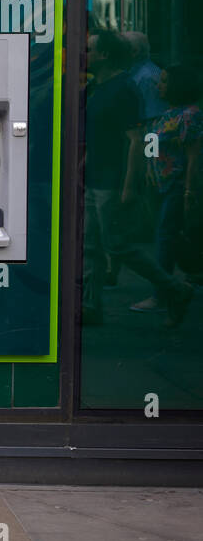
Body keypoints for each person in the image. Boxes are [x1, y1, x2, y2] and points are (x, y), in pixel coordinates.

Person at [81, 32, 193, 327]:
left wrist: (131, 184)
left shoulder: (122, 89)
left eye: (89, 49)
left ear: (104, 55)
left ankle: (175, 288)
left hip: (112, 180)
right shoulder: (99, 87)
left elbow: (138, 139)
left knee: (117, 245)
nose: (84, 53)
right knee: (90, 244)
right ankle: (90, 306)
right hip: (97, 177)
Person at [130, 65, 202, 312]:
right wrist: (149, 168)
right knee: (165, 235)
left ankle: (163, 293)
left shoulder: (189, 116)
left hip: (177, 184)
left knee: (164, 237)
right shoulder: (166, 114)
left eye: (163, 81)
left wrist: (190, 191)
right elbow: (151, 142)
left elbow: (194, 155)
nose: (159, 86)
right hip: (160, 184)